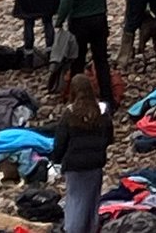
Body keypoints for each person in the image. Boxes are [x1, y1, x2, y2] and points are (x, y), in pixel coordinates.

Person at [56, 0, 115, 105]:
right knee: (101, 59)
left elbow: (67, 0)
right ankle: (107, 97)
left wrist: (59, 21)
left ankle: (76, 98)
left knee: (77, 61)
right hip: (99, 18)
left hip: (79, 21)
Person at [51, 74, 114, 233]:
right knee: (92, 200)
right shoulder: (102, 111)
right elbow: (109, 137)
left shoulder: (70, 113)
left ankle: (73, 229)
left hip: (75, 165)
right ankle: (91, 228)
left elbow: (60, 141)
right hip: (95, 164)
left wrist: (56, 161)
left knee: (75, 200)